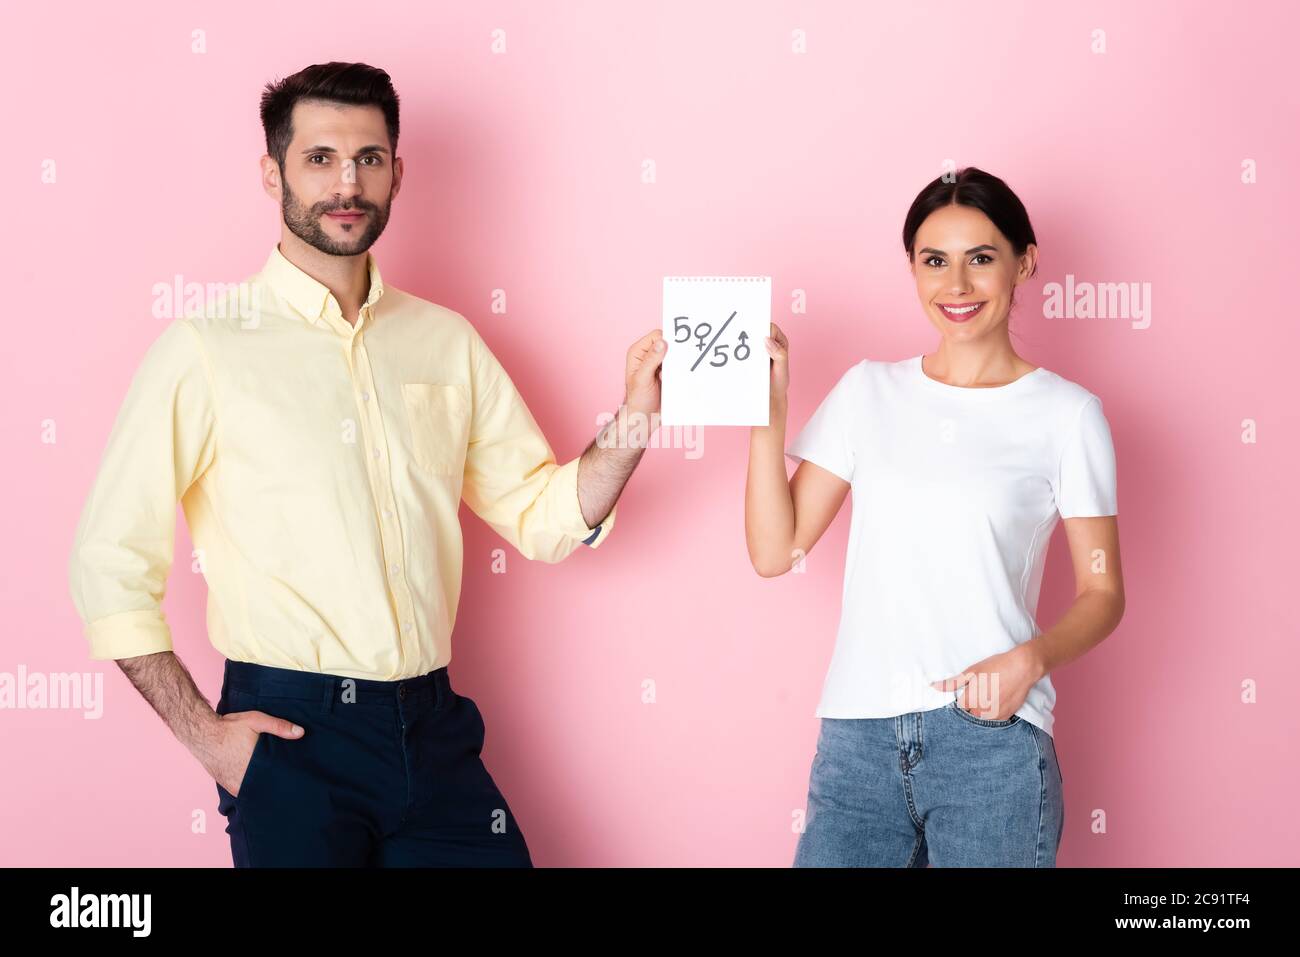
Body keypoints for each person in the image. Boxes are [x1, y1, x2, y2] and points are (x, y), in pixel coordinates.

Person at [67, 61, 665, 867]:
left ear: (397, 172)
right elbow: (108, 565)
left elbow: (543, 517)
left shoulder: (445, 341)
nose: (347, 182)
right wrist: (208, 740)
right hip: (291, 737)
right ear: (272, 172)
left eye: (369, 159)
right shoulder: (206, 349)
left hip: (434, 727)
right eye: (319, 158)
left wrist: (634, 418)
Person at [745, 167, 1125, 867]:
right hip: (856, 740)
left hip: (991, 740)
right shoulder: (868, 392)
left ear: (1025, 262)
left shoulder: (1068, 416)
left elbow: (1104, 594)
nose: (956, 285)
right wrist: (767, 421)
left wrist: (1030, 658)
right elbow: (775, 550)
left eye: (981, 258)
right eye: (934, 261)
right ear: (913, 270)